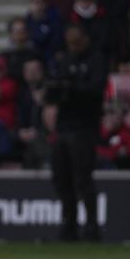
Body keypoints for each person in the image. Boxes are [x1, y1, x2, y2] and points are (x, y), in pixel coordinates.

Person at [44, 23, 106, 242]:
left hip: (84, 128)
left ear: (85, 39)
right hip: (63, 127)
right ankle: (68, 225)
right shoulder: (64, 60)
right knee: (61, 179)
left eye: (76, 41)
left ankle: (91, 226)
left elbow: (96, 90)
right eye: (70, 42)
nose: (73, 46)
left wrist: (72, 89)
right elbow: (53, 92)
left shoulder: (96, 60)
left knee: (83, 179)